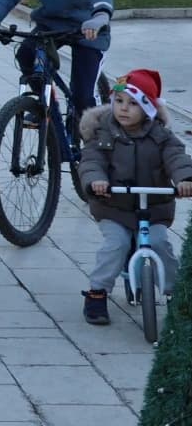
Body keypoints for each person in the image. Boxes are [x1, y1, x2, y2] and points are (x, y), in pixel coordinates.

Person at [77, 69, 192, 326]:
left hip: (153, 208)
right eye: (118, 102)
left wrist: (185, 179)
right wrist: (97, 181)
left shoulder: (161, 136)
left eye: (133, 104)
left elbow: (177, 158)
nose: (123, 109)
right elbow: (91, 161)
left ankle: (178, 293)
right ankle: (97, 292)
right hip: (114, 207)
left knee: (161, 244)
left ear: (149, 108)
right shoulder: (102, 134)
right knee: (115, 244)